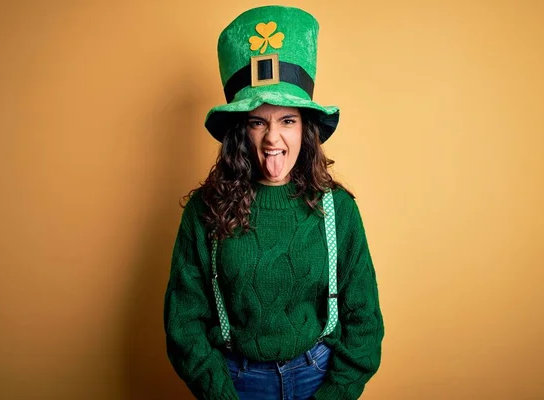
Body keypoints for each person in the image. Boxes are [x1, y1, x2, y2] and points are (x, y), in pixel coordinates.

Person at [164, 5, 384, 400]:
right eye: (257, 121)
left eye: (287, 120)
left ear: (306, 129)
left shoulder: (338, 210)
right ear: (239, 132)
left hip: (318, 376)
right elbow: (184, 322)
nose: (272, 139)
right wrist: (221, 394)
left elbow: (364, 319)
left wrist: (334, 394)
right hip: (236, 381)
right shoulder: (206, 209)